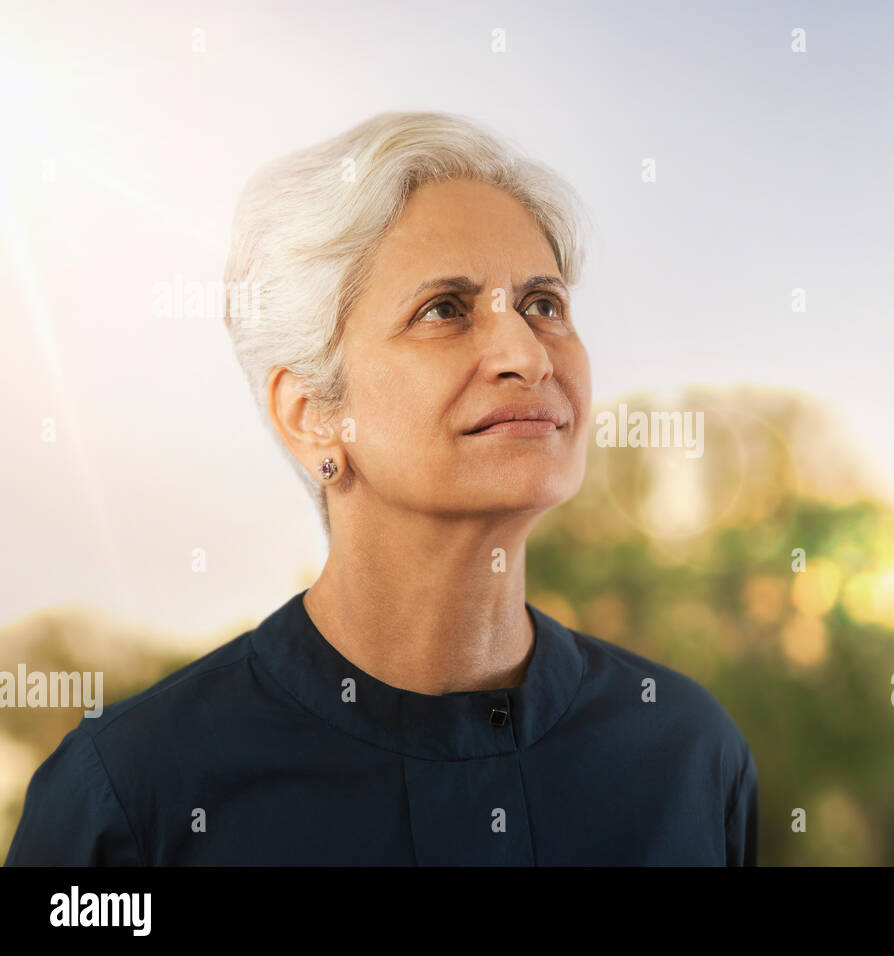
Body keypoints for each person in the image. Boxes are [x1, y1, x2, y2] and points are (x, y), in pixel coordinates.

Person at [5, 112, 758, 866]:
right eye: (445, 310)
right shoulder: (131, 802)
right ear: (312, 419)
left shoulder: (687, 754)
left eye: (543, 304)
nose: (527, 355)